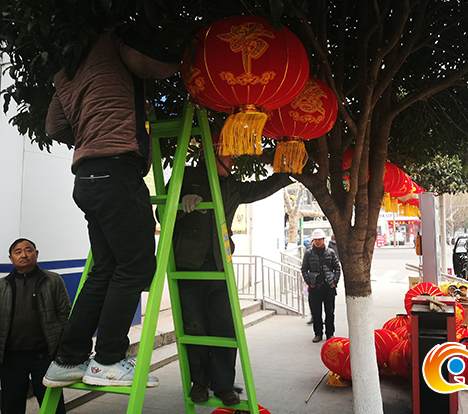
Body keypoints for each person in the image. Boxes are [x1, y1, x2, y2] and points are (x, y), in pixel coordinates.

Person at [43, 26, 181, 387]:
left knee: (104, 268)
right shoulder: (111, 39)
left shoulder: (65, 70)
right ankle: (108, 360)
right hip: (117, 171)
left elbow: (54, 126)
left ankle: (68, 359)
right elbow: (153, 64)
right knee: (135, 266)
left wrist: (90, 135)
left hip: (86, 178)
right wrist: (188, 57)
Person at [170, 135, 292, 405]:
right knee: (194, 328)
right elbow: (161, 215)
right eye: (227, 155)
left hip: (220, 266)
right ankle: (199, 382)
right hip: (188, 267)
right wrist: (180, 205)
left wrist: (288, 174)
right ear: (210, 155)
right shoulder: (186, 176)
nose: (233, 160)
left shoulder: (231, 186)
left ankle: (223, 384)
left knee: (225, 327)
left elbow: (261, 188)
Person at [1, 239, 71, 414]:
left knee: (53, 407)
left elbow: (65, 314)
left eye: (28, 250)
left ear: (36, 254)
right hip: (11, 359)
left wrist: (61, 348)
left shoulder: (53, 280)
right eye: (18, 252)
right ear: (11, 258)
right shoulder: (2, 286)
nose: (23, 255)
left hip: (45, 357)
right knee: (11, 407)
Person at [302, 229, 341, 343]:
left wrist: (334, 282)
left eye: (320, 239)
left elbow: (337, 268)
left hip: (328, 286)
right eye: (316, 240)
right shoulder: (308, 253)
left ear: (323, 240)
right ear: (313, 241)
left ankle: (330, 333)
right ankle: (318, 334)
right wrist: (309, 282)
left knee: (330, 312)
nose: (318, 242)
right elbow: (304, 269)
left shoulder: (330, 252)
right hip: (315, 287)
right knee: (316, 312)